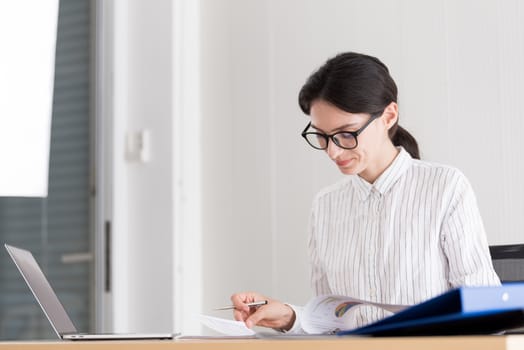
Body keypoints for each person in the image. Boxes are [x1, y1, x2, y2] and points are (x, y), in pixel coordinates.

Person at [230, 52, 501, 333]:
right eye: (321, 135)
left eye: (346, 134)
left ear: (388, 116)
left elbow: (486, 310)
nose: (332, 151)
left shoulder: (444, 187)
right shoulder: (326, 206)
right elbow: (330, 324)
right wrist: (289, 317)